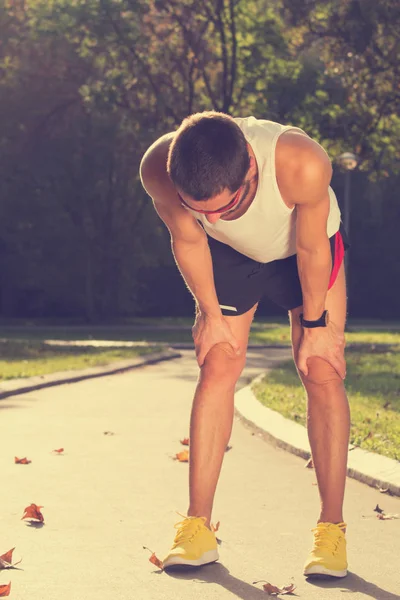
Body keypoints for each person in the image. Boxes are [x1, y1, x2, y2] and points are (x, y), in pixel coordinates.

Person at [140, 112, 350, 578]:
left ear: (251, 170)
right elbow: (189, 239)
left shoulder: (301, 162)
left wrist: (315, 325)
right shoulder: (160, 167)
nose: (212, 216)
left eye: (225, 206)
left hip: (304, 247)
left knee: (320, 367)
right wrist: (211, 316)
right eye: (202, 207)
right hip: (229, 255)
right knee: (217, 363)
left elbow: (315, 250)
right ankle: (197, 528)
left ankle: (331, 530)